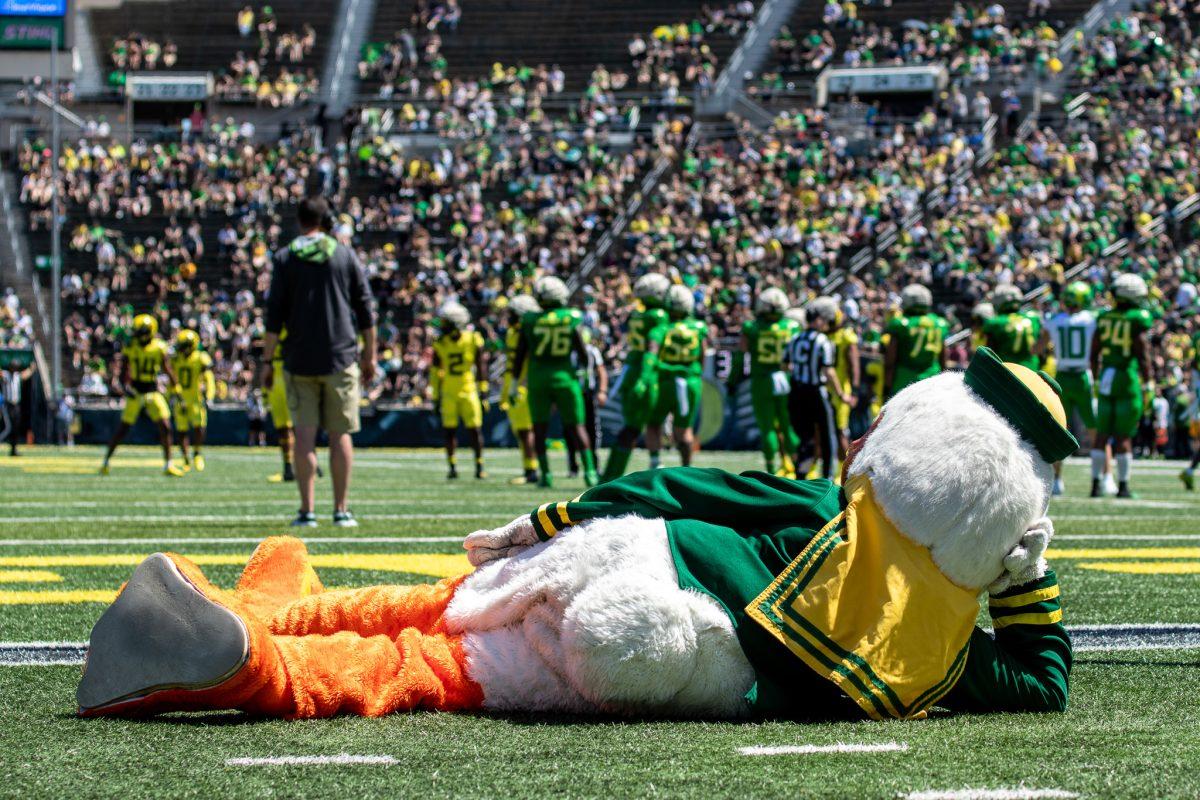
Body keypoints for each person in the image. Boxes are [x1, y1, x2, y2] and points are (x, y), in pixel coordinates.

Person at [262, 196, 377, 528]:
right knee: (341, 435)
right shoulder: (344, 254)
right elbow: (366, 309)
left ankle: (307, 511)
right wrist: (369, 354)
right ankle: (341, 509)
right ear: (326, 220)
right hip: (340, 356)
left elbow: (274, 317)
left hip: (298, 359)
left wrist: (268, 361)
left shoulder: (285, 258)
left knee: (304, 436)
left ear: (299, 222)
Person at [510, 275, 597, 488]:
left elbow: (520, 354)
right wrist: (586, 372)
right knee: (578, 427)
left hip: (538, 378)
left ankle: (546, 474)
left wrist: (513, 383)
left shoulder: (530, 320)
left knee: (539, 428)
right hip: (565, 377)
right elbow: (582, 351)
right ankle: (590, 473)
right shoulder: (569, 318)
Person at [601, 273, 671, 482]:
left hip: (631, 372)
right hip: (645, 375)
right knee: (633, 429)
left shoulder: (637, 314)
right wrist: (644, 378)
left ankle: (608, 475)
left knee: (631, 428)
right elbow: (652, 347)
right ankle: (609, 477)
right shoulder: (658, 315)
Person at [1090, 273, 1153, 499]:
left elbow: (1094, 350)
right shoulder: (1137, 318)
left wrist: (1096, 377)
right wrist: (1149, 383)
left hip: (1106, 375)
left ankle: (1095, 485)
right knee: (1124, 435)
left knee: (1102, 434)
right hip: (1126, 377)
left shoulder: (1104, 317)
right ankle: (1124, 486)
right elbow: (1143, 352)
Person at [100, 314, 184, 476]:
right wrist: (125, 387)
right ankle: (106, 461)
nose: (137, 334)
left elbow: (167, 369)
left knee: (166, 426)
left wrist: (177, 389)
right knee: (123, 429)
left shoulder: (159, 347)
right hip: (136, 391)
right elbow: (124, 369)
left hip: (152, 390)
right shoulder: (131, 346)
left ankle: (169, 464)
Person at [786, 297, 851, 481]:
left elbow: (785, 365)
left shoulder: (795, 338)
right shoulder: (822, 340)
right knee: (827, 435)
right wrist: (840, 393)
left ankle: (801, 475)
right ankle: (827, 477)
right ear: (819, 319)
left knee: (806, 438)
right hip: (816, 392)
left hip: (797, 392)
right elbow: (828, 371)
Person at [646, 285, 709, 468]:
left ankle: (655, 466)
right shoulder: (698, 327)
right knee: (684, 431)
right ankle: (686, 470)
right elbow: (703, 355)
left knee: (653, 424)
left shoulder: (662, 326)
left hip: (664, 380)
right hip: (690, 381)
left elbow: (652, 351)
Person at [1045, 282, 1098, 496]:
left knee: (1060, 429)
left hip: (1062, 376)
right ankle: (1101, 477)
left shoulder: (1055, 321)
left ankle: (1057, 479)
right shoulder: (1092, 320)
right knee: (1094, 429)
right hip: (1084, 376)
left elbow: (1039, 345)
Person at [740, 287, 799, 475]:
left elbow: (742, 352)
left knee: (767, 428)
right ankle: (797, 468)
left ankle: (771, 469)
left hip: (763, 379)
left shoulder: (752, 327)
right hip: (786, 378)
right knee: (787, 424)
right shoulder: (792, 326)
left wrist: (734, 379)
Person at [430, 301, 487, 480]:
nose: (442, 325)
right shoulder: (441, 344)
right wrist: (435, 396)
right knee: (449, 431)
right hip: (449, 390)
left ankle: (479, 464)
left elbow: (481, 365)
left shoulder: (472, 339)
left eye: (446, 322)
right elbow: (435, 371)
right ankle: (452, 466)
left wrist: (483, 390)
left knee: (475, 430)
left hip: (468, 387)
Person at [500, 294, 541, 485]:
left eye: (512, 313)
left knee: (526, 430)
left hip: (523, 384)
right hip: (511, 382)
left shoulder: (528, 333)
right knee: (520, 431)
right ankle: (528, 468)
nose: (509, 316)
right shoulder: (512, 333)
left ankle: (532, 469)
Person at [884, 284, 949, 399]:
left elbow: (890, 361)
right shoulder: (940, 323)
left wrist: (886, 387)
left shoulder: (900, 324)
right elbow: (943, 358)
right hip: (932, 383)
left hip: (904, 384)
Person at [169, 329, 215, 472]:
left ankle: (197, 453)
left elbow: (209, 377)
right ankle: (185, 459)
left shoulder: (200, 357)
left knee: (199, 427)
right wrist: (172, 395)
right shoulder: (176, 358)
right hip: (180, 398)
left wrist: (209, 395)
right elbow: (172, 378)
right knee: (182, 431)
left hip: (195, 398)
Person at [568, 329, 608, 478]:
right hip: (570, 394)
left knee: (591, 429)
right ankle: (573, 466)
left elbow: (601, 371)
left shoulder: (592, 351)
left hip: (586, 393)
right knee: (570, 429)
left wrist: (602, 391)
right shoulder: (567, 352)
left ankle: (594, 464)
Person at [983, 284, 1046, 370]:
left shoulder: (995, 322)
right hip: (1032, 371)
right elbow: (1042, 353)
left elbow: (990, 354)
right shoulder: (1034, 318)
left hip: (1008, 372)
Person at [828, 308, 860, 465]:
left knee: (840, 430)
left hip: (839, 389)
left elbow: (854, 365)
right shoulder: (825, 335)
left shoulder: (845, 336)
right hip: (828, 389)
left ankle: (843, 468)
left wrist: (854, 391)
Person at [264, 329, 296, 482]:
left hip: (290, 371)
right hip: (275, 371)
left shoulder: (293, 320)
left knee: (296, 426)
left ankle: (307, 465)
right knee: (282, 427)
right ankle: (288, 468)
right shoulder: (274, 321)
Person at [0, 358, 35, 456]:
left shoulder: (17, 376)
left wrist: (31, 369)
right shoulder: (6, 374)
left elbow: (24, 375)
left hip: (16, 405)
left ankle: (13, 449)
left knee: (15, 427)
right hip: (7, 405)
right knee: (8, 427)